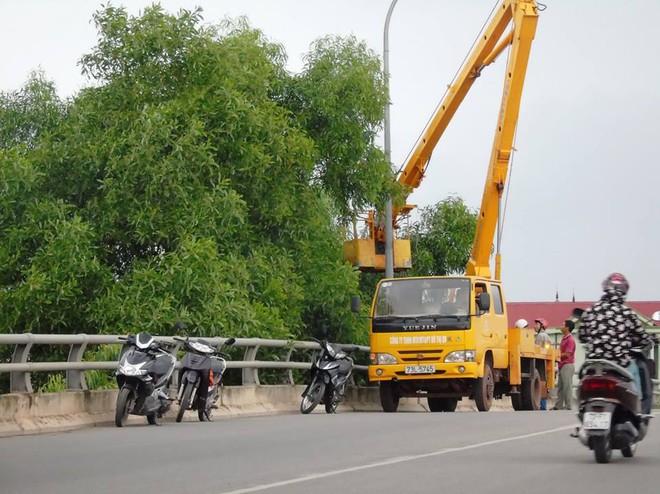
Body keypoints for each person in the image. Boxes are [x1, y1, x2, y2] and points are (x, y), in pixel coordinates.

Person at [578, 273, 654, 400]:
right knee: (636, 373)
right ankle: (640, 408)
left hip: (595, 363)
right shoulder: (626, 312)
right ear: (623, 291)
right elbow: (642, 337)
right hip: (620, 364)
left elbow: (581, 335)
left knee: (583, 378)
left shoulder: (591, 310)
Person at [552, 320, 576, 410]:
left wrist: (557, 356)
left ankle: (569, 405)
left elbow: (568, 354)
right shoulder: (564, 338)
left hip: (567, 365)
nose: (561, 327)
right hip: (562, 365)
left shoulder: (570, 340)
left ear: (567, 328)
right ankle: (558, 405)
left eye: (563, 325)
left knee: (567, 386)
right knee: (561, 386)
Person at [534, 317, 553, 410]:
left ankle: (542, 406)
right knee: (544, 382)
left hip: (540, 361)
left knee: (541, 382)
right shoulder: (547, 336)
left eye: (537, 324)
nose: (535, 326)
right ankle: (543, 405)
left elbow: (537, 349)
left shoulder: (540, 336)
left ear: (541, 326)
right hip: (546, 361)